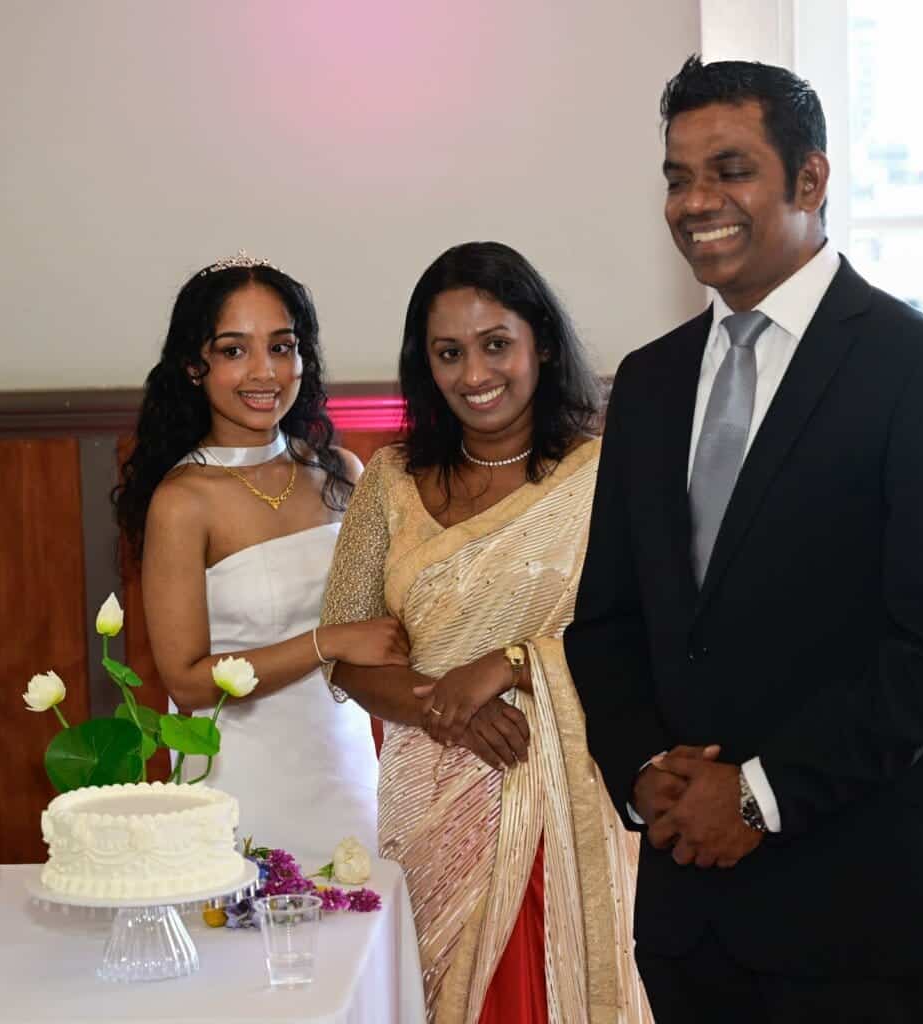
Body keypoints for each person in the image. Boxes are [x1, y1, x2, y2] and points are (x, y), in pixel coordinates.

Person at [565, 56, 923, 1023]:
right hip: (688, 910)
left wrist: (758, 795)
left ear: (810, 181)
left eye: (729, 169)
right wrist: (650, 777)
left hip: (858, 905)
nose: (697, 201)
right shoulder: (647, 384)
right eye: (678, 177)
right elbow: (606, 619)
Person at [321, 242, 648, 1023]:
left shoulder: (605, 476)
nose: (475, 374)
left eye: (496, 344)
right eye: (449, 353)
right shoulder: (392, 480)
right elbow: (344, 649)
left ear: (539, 342)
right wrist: (451, 703)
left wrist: (510, 663)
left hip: (559, 778)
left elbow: (643, 635)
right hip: (426, 790)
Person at [116, 253, 409, 861]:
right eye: (234, 350)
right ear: (194, 366)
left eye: (282, 347)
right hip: (239, 776)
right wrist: (326, 643)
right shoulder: (182, 500)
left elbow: (385, 628)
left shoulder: (338, 472)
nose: (264, 371)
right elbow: (189, 682)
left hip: (342, 763)